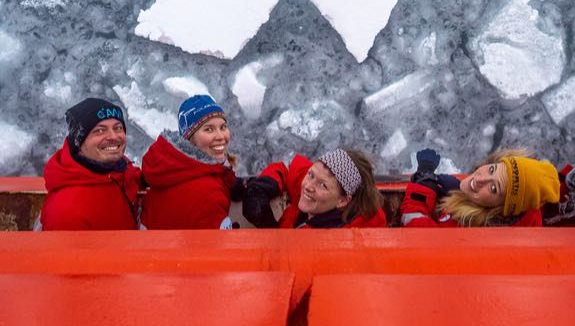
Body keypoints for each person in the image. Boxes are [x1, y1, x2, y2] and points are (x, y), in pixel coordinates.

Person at [38, 98, 141, 230]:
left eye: (118, 128)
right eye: (100, 130)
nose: (113, 136)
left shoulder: (115, 172)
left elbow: (134, 176)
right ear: (79, 142)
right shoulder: (68, 213)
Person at [139, 95, 239, 229]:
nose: (221, 136)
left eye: (223, 127)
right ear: (189, 138)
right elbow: (217, 247)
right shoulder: (209, 193)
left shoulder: (165, 171)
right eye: (208, 129)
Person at [400, 148, 560, 227]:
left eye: (494, 188)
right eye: (492, 169)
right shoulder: (527, 210)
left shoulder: (467, 229)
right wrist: (458, 191)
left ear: (502, 210)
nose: (480, 179)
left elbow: (416, 234)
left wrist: (423, 183)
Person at [242, 149, 386, 228]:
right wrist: (262, 187)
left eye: (323, 185)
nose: (308, 186)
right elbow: (286, 169)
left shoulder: (348, 241)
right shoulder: (313, 182)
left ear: (343, 200)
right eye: (311, 174)